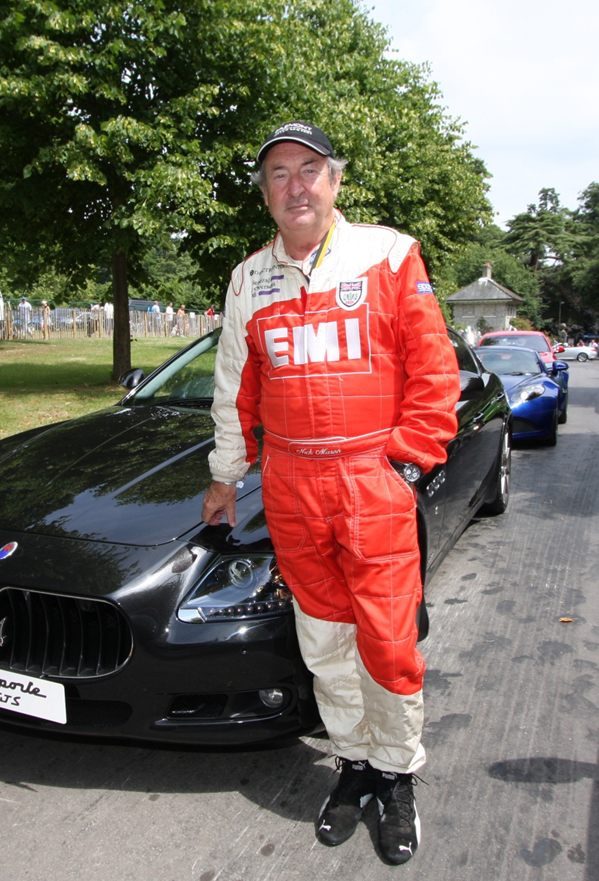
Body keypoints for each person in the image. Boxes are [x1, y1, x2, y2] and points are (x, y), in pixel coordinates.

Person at [201, 121, 460, 865]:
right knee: (324, 641)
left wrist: (405, 467)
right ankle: (352, 764)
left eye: (308, 169)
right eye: (278, 173)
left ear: (334, 180)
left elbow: (433, 374)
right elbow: (233, 386)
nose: (295, 185)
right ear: (266, 194)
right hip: (292, 487)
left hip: (370, 482)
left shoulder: (388, 253)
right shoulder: (250, 279)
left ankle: (397, 772)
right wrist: (226, 475)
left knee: (387, 641)